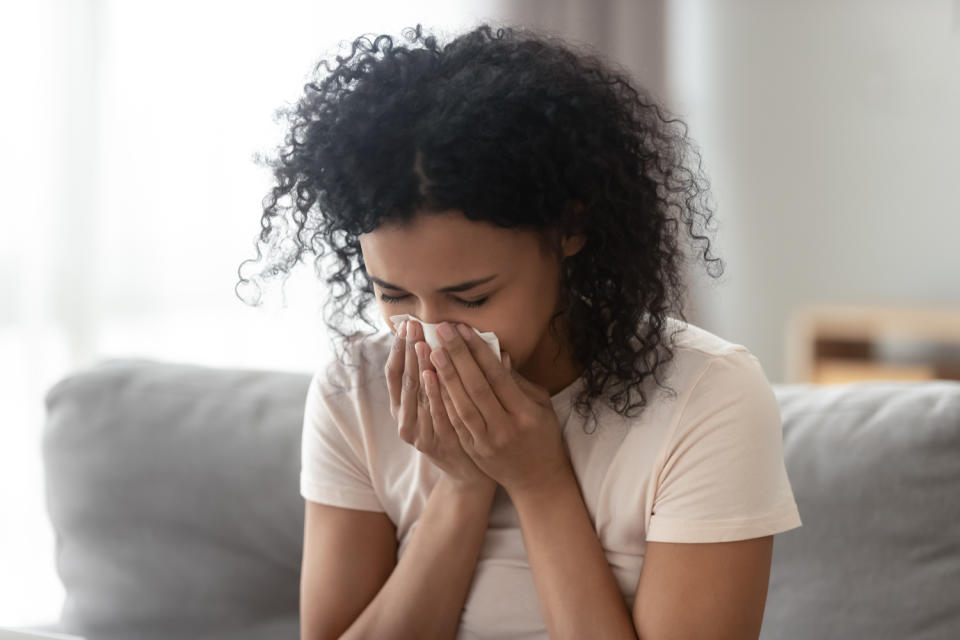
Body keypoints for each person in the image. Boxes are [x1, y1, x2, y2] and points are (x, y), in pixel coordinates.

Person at [236, 22, 802, 640]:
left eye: (471, 296)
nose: (428, 333)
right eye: (393, 294)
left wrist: (539, 482)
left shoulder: (706, 395)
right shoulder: (356, 391)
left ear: (570, 231)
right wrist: (461, 488)